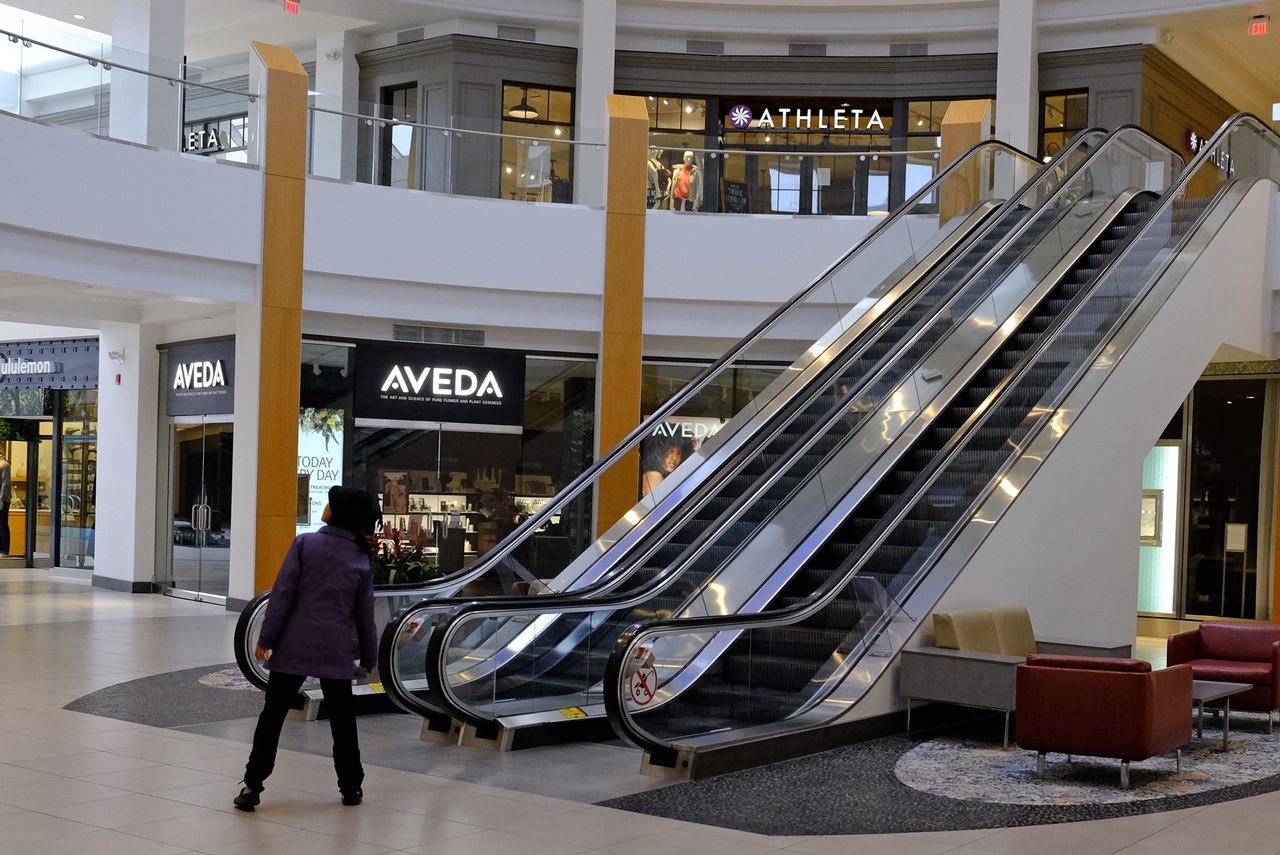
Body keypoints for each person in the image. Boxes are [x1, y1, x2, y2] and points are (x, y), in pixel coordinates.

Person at [234, 486, 380, 812]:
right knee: (343, 722)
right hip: (335, 650)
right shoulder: (359, 559)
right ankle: (351, 787)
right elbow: (364, 618)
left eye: (330, 503)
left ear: (337, 512)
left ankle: (252, 786)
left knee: (272, 717)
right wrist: (369, 657)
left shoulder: (306, 544)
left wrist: (266, 640)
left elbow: (282, 595)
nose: (325, 507)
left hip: (293, 647)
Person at [0, 452, 10, 557]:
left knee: (2, 524)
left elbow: (5, 483)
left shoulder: (3, 464)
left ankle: (4, 549)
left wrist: (1, 499)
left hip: (3, 500)